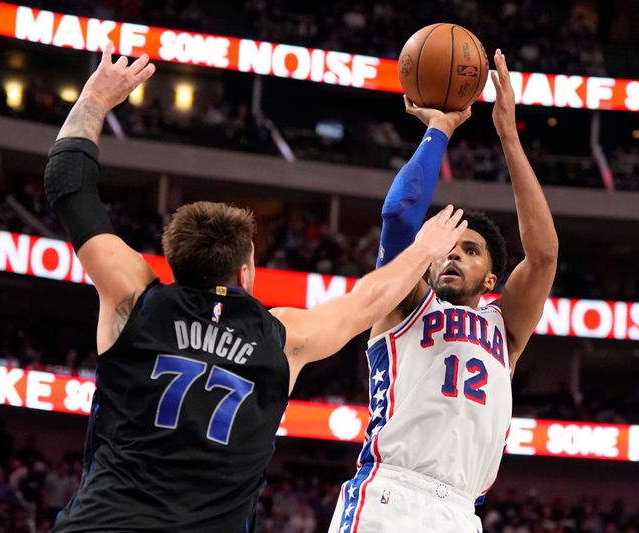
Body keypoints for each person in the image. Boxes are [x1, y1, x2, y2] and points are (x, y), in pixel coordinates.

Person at [45, 42, 468, 532]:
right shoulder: (281, 337)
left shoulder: (134, 298)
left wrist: (94, 98)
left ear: (173, 260)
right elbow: (368, 301)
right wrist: (425, 248)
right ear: (247, 271)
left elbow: (68, 186)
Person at [330, 49, 558, 532]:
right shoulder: (405, 301)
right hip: (391, 494)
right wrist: (441, 130)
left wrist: (508, 135)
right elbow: (398, 216)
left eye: (471, 251)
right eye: (448, 248)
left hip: (460, 512)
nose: (454, 255)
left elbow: (543, 256)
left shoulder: (505, 329)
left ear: (493, 280)